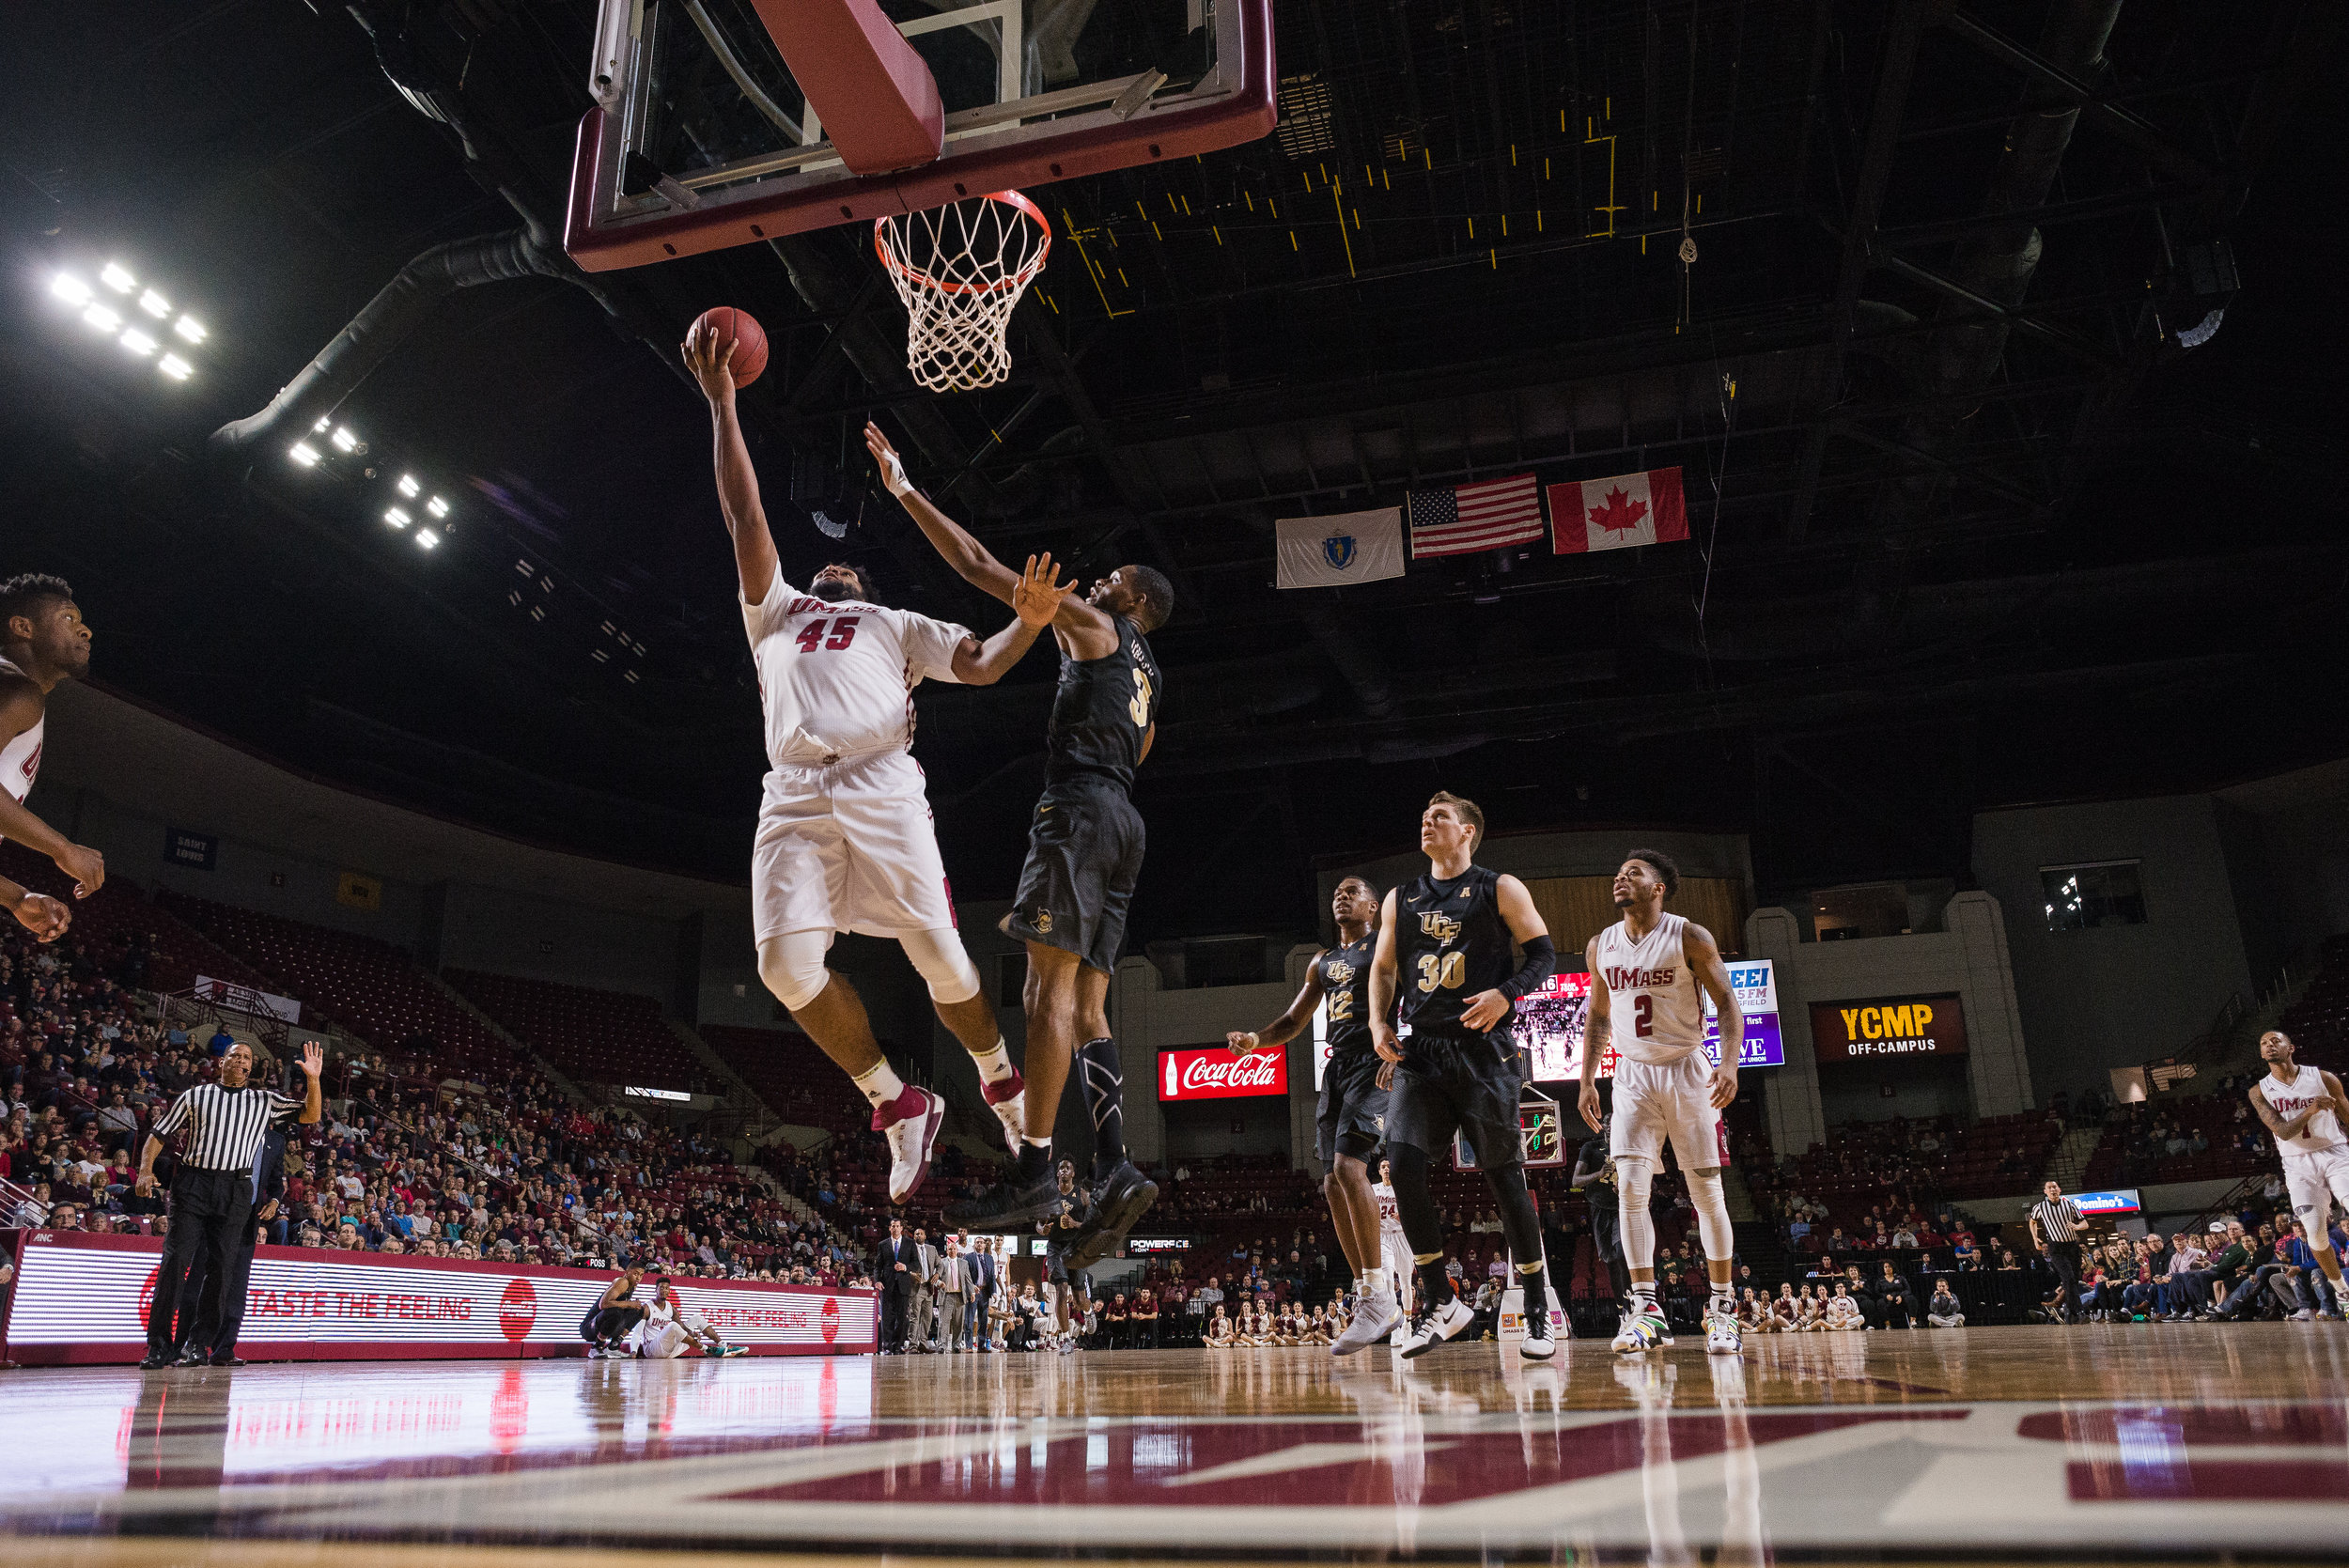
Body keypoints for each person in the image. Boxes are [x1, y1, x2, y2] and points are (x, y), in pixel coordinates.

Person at [686, 329, 1060, 1205]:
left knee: (943, 962)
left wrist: (1031, 622)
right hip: (792, 792)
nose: (834, 565)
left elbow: (982, 664)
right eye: (827, 564)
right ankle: (896, 1102)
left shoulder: (895, 622)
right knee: (784, 970)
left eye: (846, 564)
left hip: (883, 779)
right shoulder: (774, 612)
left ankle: (999, 1076)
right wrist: (722, 402)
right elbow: (744, 516)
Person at [869, 421, 1173, 1251]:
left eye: (1111, 579)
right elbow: (1137, 752)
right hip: (1126, 823)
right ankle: (1115, 1162)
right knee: (1089, 1005)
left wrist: (905, 489)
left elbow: (978, 567)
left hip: (1077, 811)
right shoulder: (1151, 679)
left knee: (1043, 995)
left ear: (1135, 600)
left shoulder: (1096, 627)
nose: (1097, 580)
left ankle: (1036, 1169)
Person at [1365, 792, 1558, 1361]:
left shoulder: (1501, 887)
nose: (1427, 822)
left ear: (1468, 830)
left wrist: (1506, 992)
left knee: (1505, 1181)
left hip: (1484, 1052)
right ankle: (1440, 1302)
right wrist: (1379, 1021)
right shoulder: (1402, 896)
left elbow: (1544, 955)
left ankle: (1539, 1312)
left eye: (1440, 817)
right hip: (1421, 1053)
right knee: (1400, 1163)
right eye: (1423, 816)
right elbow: (1382, 966)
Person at [1577, 848, 1747, 1358]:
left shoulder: (1689, 936)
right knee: (1629, 1188)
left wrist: (1731, 1063)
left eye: (1634, 873)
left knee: (1706, 1193)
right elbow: (1599, 1018)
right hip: (1630, 1075)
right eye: (1618, 871)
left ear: (1659, 888)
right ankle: (1646, 1309)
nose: (1619, 878)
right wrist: (1587, 1079)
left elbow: (1728, 1003)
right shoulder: (1600, 945)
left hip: (1687, 1069)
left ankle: (1721, 1308)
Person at [1228, 877, 1393, 1353]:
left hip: (1374, 1063)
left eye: (1353, 890)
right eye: (1337, 891)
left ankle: (1378, 1292)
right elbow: (1294, 1021)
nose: (1341, 896)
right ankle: (1368, 1295)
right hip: (1338, 1069)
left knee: (1349, 1167)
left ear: (1373, 905)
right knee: (1329, 1182)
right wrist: (1256, 1040)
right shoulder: (1322, 961)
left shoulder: (1385, 945)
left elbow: (1415, 997)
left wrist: (1397, 1047)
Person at [135, 1041, 322, 1369]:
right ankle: (159, 1345)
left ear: (251, 1068)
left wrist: (313, 1079)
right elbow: (159, 1133)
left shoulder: (264, 1100)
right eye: (235, 1055)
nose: (241, 1060)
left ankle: (198, 1345)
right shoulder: (196, 1095)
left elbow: (311, 1114)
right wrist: (145, 1170)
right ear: (222, 1061)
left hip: (236, 1187)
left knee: (221, 1271)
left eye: (247, 1057)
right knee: (175, 1262)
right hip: (194, 1182)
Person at [0, 574, 99, 943]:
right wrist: (63, 849)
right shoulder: (16, 690)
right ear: (24, 627)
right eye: (68, 618)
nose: (85, 630)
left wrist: (15, 898)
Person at [2247, 1030, 2349, 1311]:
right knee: (2315, 1232)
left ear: (2291, 1048)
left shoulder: (2323, 1078)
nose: (2269, 1045)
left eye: (2275, 1041)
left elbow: (2347, 1115)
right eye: (2263, 1043)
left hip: (2335, 1152)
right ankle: (2341, 1290)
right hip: (2297, 1164)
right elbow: (2282, 1130)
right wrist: (2311, 1109)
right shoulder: (2259, 1091)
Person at [1572, 1123, 1632, 1324]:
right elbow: (1576, 1181)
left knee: (1621, 1251)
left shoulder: (1627, 1145)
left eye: (1616, 1121)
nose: (1611, 1126)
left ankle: (1633, 1304)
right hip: (1599, 1209)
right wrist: (1599, 1174)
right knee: (1610, 1260)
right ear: (1602, 1127)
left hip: (1621, 1207)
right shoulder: (1590, 1148)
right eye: (1607, 1122)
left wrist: (1626, 1188)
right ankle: (1621, 1308)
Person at [637, 1278, 746, 1358]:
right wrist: (633, 1352)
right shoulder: (647, 1307)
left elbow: (682, 1327)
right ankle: (707, 1349)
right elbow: (637, 1332)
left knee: (696, 1318)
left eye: (666, 1288)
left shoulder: (671, 1308)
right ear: (655, 1290)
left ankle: (723, 1345)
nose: (664, 1290)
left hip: (668, 1351)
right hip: (652, 1350)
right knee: (672, 1325)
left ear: (669, 1291)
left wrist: (692, 1334)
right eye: (661, 1288)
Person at [2028, 1180, 2086, 1324]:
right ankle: (2078, 1310)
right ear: (2045, 1191)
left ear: (2059, 1190)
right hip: (2056, 1247)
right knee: (2069, 1277)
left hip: (2072, 1246)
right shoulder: (2040, 1207)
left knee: (2073, 1279)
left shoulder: (2069, 1204)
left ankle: (2067, 1310)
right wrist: (2035, 1238)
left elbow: (2085, 1223)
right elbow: (2032, 1221)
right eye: (2049, 1188)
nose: (2052, 1189)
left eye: (2054, 1187)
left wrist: (2076, 1226)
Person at [1370, 1157, 1414, 1319]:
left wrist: (1405, 1216)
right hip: (1382, 1238)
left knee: (1406, 1284)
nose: (1387, 1169)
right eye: (1384, 1167)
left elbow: (1417, 1213)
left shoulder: (1403, 1188)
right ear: (1380, 1171)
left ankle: (1407, 1323)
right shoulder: (1373, 1189)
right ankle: (1394, 1322)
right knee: (1388, 1280)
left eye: (1389, 1166)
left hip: (1401, 1236)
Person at [583, 1264, 651, 1358]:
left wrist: (632, 1306)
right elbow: (603, 1304)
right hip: (590, 1328)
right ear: (627, 1272)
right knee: (616, 1311)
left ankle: (613, 1347)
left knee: (639, 1310)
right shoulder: (622, 1281)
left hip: (607, 1326)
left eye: (641, 1275)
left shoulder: (632, 1286)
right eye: (636, 1274)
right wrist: (629, 1304)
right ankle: (596, 1347)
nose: (638, 1277)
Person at [878, 1218, 920, 1352]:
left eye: (897, 1226)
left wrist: (905, 1267)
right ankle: (887, 1345)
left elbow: (916, 1264)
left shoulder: (910, 1243)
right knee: (887, 1316)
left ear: (902, 1228)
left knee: (902, 1317)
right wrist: (877, 1280)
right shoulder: (883, 1244)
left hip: (903, 1284)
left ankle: (898, 1345)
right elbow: (878, 1266)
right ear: (889, 1228)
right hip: (887, 1284)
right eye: (892, 1226)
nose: (895, 1228)